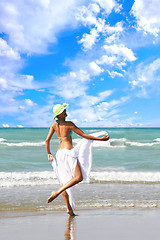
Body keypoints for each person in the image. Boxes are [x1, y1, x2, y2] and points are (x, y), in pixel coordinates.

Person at [46, 103, 109, 216]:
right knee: (79, 177)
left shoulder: (54, 125)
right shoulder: (69, 124)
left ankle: (69, 209)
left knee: (64, 182)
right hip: (69, 153)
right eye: (64, 111)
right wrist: (100, 140)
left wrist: (49, 153)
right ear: (60, 114)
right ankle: (57, 192)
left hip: (59, 154)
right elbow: (84, 135)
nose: (66, 112)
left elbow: (47, 140)